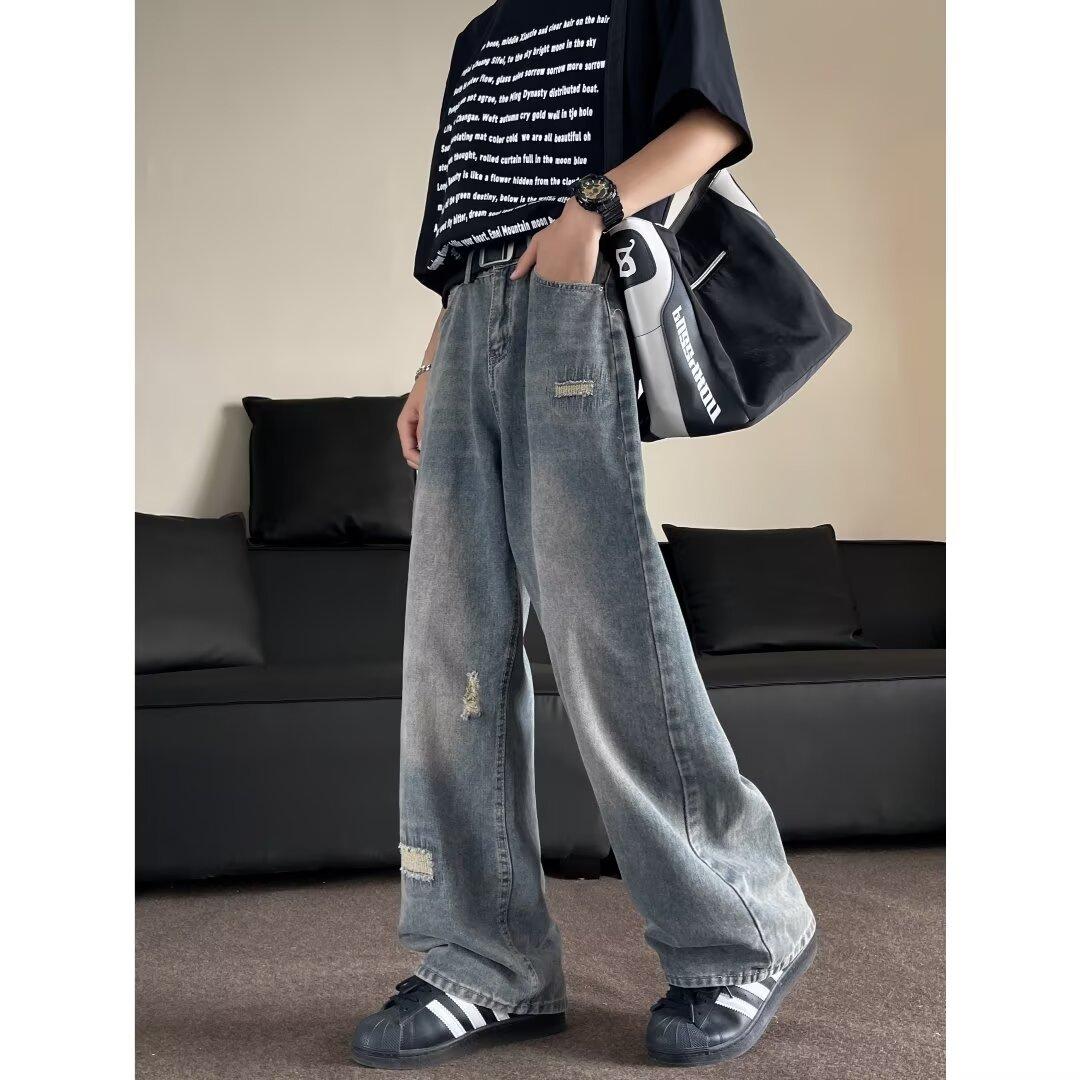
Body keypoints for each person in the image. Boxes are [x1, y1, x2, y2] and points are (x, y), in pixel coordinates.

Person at [351, 0, 817, 1069]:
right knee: (450, 651)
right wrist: (432, 362)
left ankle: (740, 932)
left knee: (604, 626)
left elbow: (709, 127)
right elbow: (467, 236)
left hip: (574, 296)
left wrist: (587, 213)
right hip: (475, 319)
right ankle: (483, 961)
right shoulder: (480, 38)